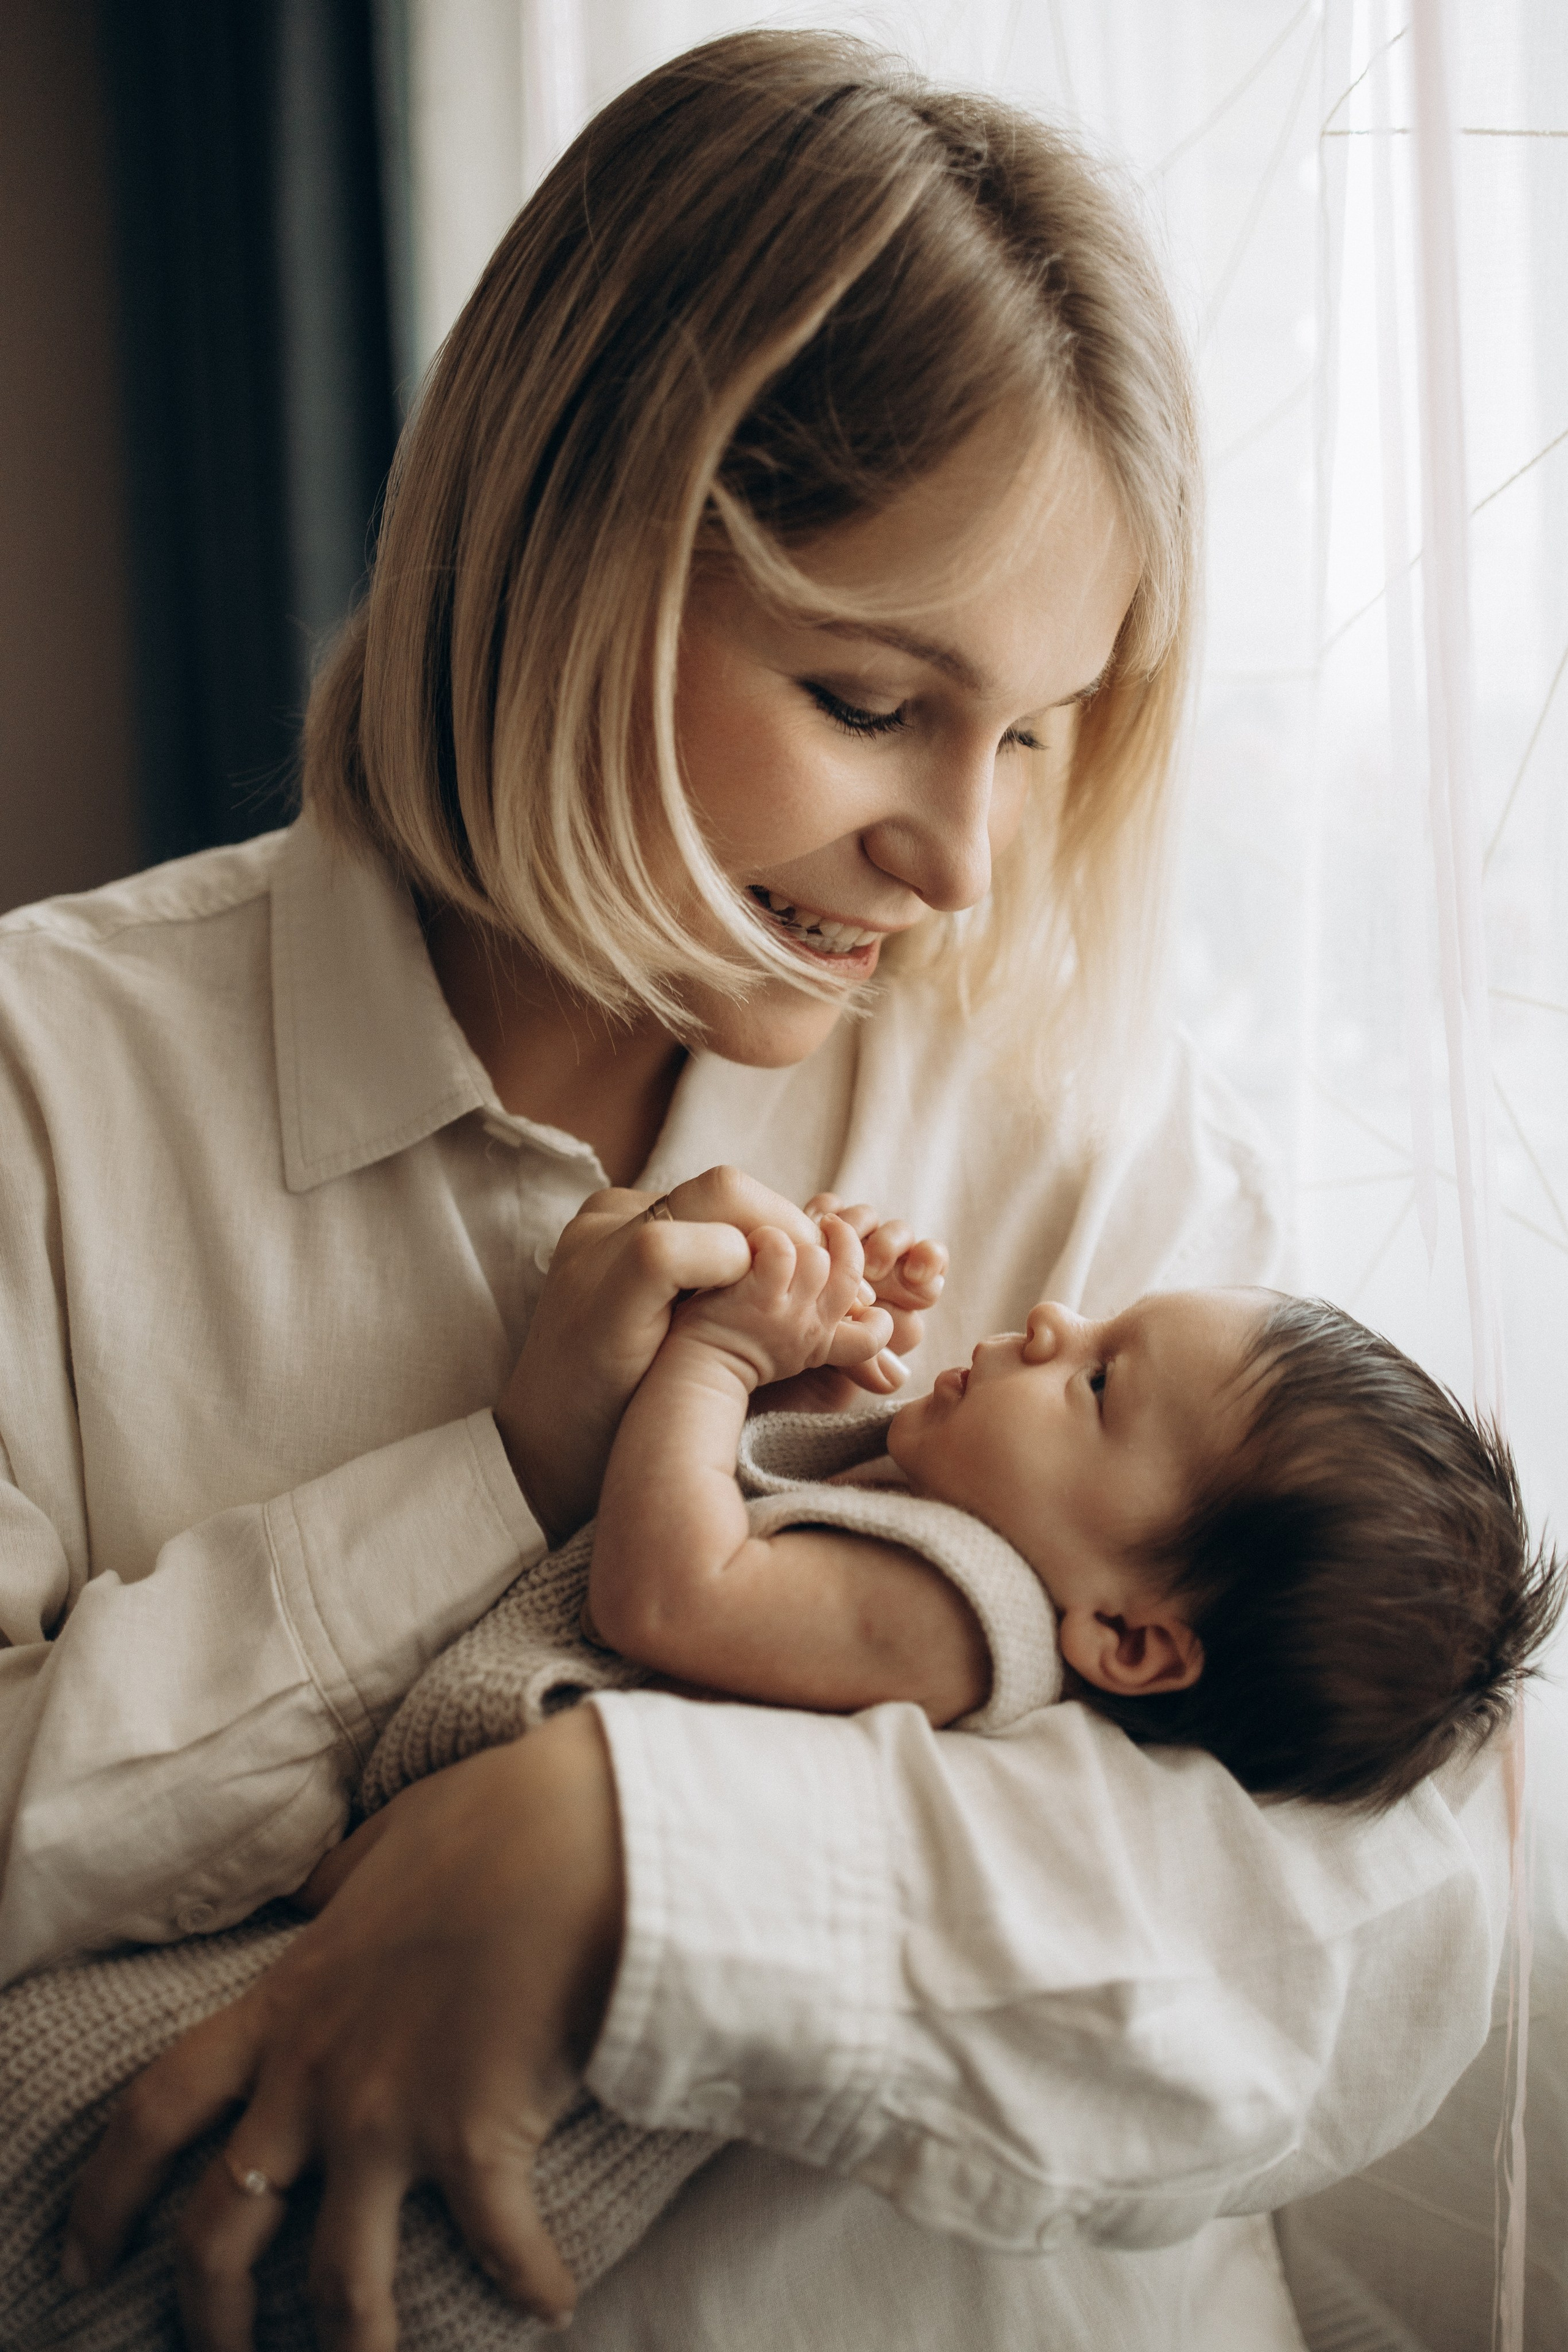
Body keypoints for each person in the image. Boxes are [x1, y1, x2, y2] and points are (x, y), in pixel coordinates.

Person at [0, 27, 1506, 2352]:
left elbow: (1380, 1915)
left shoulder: (1074, 1124)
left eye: (1030, 731)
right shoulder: (50, 1090)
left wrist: (628, 1864)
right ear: (567, 546)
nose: (966, 855)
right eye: (871, 701)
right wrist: (491, 1481)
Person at [585, 1214, 1564, 1809]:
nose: (1054, 1318)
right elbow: (753, 1511)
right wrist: (808, 1371)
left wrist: (723, 1359)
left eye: (1099, 1383)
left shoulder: (961, 1619)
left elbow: (669, 1597)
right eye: (1106, 1323)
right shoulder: (960, 1531)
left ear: (1127, 1637)